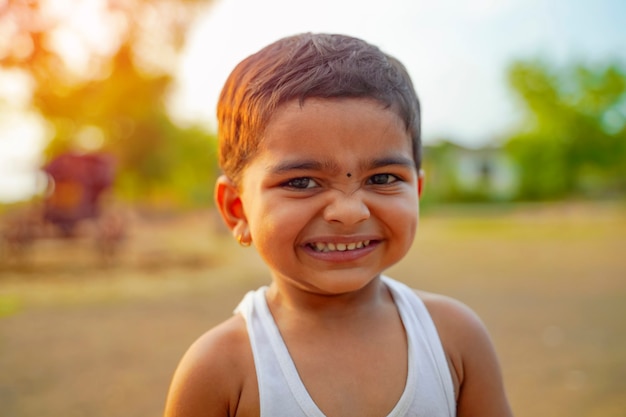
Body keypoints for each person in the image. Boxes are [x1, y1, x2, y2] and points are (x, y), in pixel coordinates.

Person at [163, 32, 513, 417]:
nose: (349, 212)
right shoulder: (220, 369)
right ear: (237, 210)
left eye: (382, 178)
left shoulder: (454, 338)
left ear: (417, 190)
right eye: (301, 182)